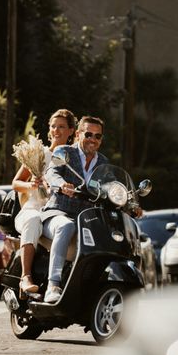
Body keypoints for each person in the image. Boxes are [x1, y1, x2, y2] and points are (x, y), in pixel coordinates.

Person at [41, 115, 108, 303]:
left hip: (86, 218)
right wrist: (62, 184)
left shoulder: (103, 162)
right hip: (58, 212)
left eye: (98, 136)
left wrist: (129, 203)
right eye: (88, 134)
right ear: (78, 134)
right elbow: (51, 172)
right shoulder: (64, 152)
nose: (93, 139)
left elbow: (111, 186)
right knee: (66, 226)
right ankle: (53, 285)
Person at [12, 109, 77, 296]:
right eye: (53, 126)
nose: (56, 130)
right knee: (33, 220)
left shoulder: (74, 159)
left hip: (55, 213)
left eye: (62, 127)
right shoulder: (38, 154)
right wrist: (31, 185)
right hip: (32, 209)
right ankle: (25, 277)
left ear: (71, 130)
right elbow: (16, 183)